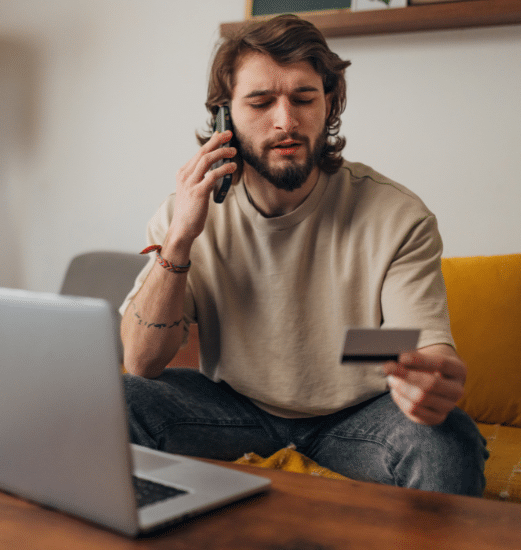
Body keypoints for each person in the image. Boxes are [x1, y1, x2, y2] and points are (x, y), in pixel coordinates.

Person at [119, 14, 487, 496]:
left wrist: (430, 376)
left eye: (303, 98)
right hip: (234, 408)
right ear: (223, 116)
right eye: (260, 101)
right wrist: (180, 241)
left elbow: (421, 346)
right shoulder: (187, 214)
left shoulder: (397, 216)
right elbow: (142, 362)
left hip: (359, 418)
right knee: (116, 401)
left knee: (448, 437)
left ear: (329, 103)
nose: (286, 121)